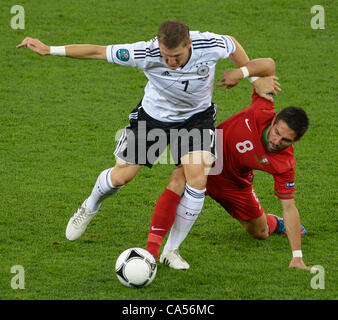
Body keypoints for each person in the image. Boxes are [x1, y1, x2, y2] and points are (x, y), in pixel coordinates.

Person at [16, 19, 279, 242]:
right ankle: (89, 206)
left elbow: (232, 43)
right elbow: (98, 51)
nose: (170, 61)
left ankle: (172, 249)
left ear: (189, 44)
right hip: (153, 119)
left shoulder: (209, 44)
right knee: (121, 178)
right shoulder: (145, 53)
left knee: (197, 179)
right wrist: (50, 49)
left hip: (195, 119)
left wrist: (253, 78)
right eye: (166, 55)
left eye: (175, 56)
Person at [145, 58, 313, 271]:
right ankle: (154, 252)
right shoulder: (262, 110)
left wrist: (297, 256)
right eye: (276, 132)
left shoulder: (284, 164)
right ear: (273, 122)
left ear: (295, 141)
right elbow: (269, 64)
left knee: (259, 232)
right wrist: (241, 73)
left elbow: (289, 206)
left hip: (235, 183)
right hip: (208, 156)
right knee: (177, 179)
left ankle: (274, 223)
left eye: (285, 140)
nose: (276, 141)